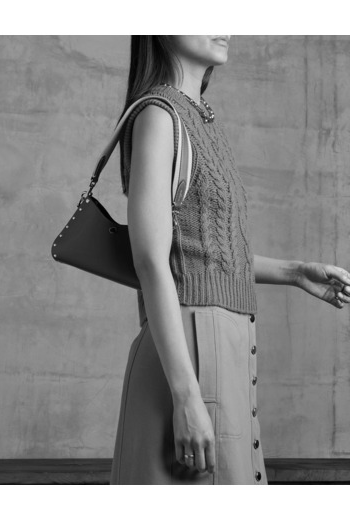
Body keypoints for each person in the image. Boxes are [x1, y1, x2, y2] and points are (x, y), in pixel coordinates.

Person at [109, 36, 350, 485]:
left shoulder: (200, 117)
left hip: (225, 348)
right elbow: (152, 261)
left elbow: (207, 253)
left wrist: (296, 272)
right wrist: (186, 396)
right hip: (188, 355)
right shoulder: (160, 115)